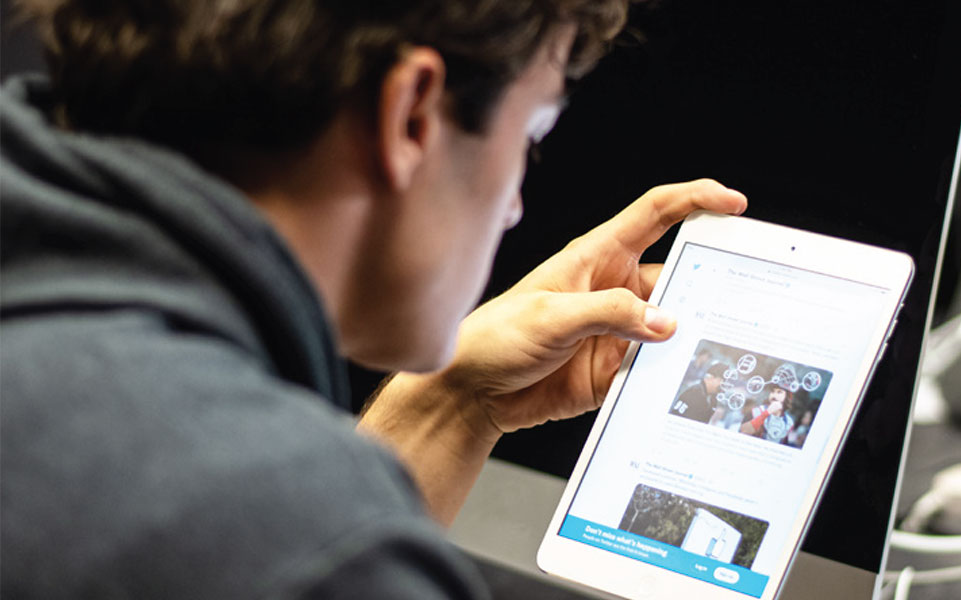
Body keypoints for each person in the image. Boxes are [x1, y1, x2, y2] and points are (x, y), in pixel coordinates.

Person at [0, 1, 748, 598]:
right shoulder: (289, 540)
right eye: (531, 131)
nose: (516, 203)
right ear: (411, 114)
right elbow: (281, 542)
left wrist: (454, 401)